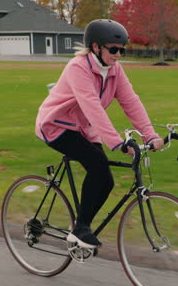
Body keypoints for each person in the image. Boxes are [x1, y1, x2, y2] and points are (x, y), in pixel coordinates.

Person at [35, 19, 163, 249]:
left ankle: (81, 226)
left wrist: (150, 135)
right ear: (96, 47)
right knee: (97, 165)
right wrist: (116, 143)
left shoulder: (115, 70)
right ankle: (81, 229)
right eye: (114, 49)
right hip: (57, 125)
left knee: (106, 180)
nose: (118, 55)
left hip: (84, 128)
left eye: (122, 50)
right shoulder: (78, 67)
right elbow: (91, 106)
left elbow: (130, 101)